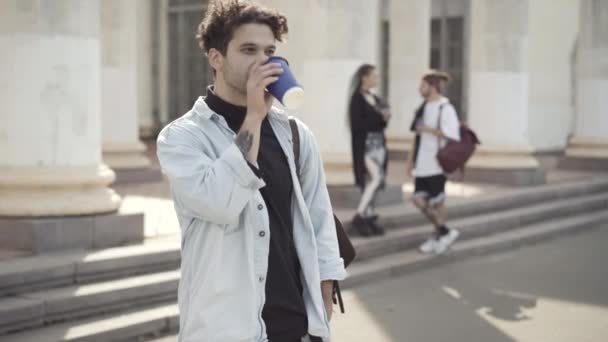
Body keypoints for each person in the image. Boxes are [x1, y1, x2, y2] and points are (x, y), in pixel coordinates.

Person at [156, 1, 346, 341]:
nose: (262, 61)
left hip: (295, 325)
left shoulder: (297, 135)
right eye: (248, 50)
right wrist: (254, 117)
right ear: (216, 58)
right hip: (223, 328)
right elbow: (219, 202)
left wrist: (325, 290)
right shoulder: (182, 137)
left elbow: (319, 217)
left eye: (269, 51)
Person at [406, 70, 461, 254]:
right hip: (422, 162)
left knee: (438, 202)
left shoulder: (445, 108)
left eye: (423, 85)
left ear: (433, 86)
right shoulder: (422, 108)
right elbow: (416, 136)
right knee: (418, 200)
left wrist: (430, 129)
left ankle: (440, 235)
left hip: (437, 162)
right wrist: (409, 162)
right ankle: (444, 231)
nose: (420, 89)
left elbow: (453, 135)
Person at [348, 64, 391, 237]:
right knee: (375, 178)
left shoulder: (375, 97)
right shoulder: (357, 99)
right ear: (364, 77)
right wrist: (380, 117)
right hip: (365, 146)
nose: (377, 79)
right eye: (374, 76)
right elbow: (358, 125)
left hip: (379, 145)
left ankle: (368, 216)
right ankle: (360, 214)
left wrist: (384, 118)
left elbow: (381, 124)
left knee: (372, 182)